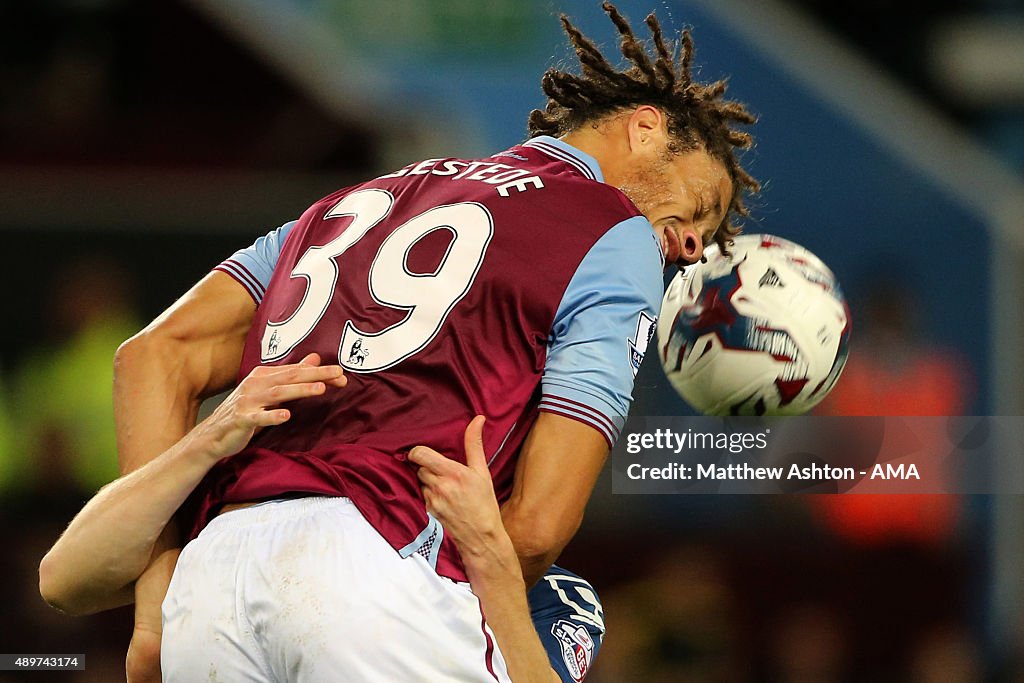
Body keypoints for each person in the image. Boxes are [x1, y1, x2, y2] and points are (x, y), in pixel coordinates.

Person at [110, 3, 758, 680]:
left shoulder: (368, 196)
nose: (691, 244)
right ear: (646, 128)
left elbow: (154, 354)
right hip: (380, 571)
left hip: (213, 580)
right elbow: (538, 525)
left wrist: (156, 610)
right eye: (701, 206)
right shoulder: (615, 229)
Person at [39, 357, 604, 682]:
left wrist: (489, 555)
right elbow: (63, 580)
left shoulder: (562, 597)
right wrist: (207, 439)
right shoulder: (253, 514)